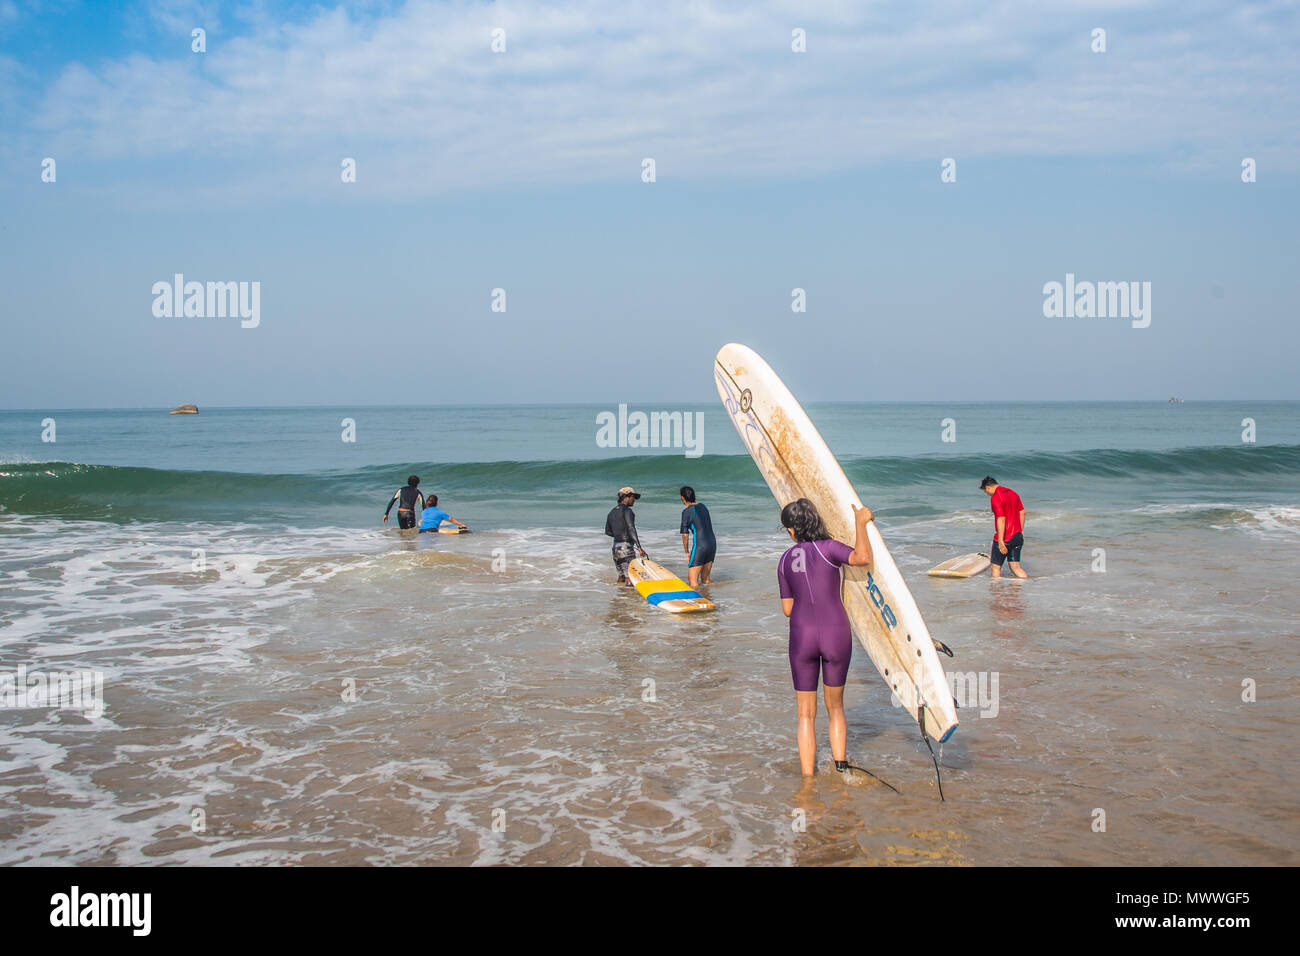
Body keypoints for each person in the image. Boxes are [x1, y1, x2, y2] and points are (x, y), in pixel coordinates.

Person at [777, 498, 873, 776]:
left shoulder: (784, 561)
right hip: (835, 634)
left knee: (805, 715)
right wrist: (860, 522)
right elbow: (862, 558)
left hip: (801, 637)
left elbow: (787, 609)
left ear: (793, 530)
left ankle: (808, 778)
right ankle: (841, 767)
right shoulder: (830, 548)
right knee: (836, 707)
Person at [980, 476, 1028, 579]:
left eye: (985, 491)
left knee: (995, 567)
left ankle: (997, 592)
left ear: (988, 487)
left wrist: (1001, 541)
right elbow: (1022, 512)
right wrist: (1021, 530)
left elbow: (1001, 519)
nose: (987, 494)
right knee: (1016, 567)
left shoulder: (996, 498)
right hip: (1017, 536)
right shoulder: (1013, 493)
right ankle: (1026, 586)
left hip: (1005, 537)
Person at [604, 486, 647, 585]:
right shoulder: (628, 511)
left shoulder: (611, 512)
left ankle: (621, 598)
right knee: (630, 577)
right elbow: (631, 528)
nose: (634, 500)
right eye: (633, 497)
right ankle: (630, 599)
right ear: (626, 497)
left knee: (621, 576)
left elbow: (608, 532)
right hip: (626, 548)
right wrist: (639, 547)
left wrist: (619, 534)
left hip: (616, 548)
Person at [678, 486, 716, 588]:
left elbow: (685, 535)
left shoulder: (687, 512)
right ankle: (707, 599)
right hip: (712, 544)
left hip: (701, 546)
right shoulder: (703, 506)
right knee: (705, 579)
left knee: (692, 580)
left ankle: (696, 602)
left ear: (683, 498)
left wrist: (686, 552)